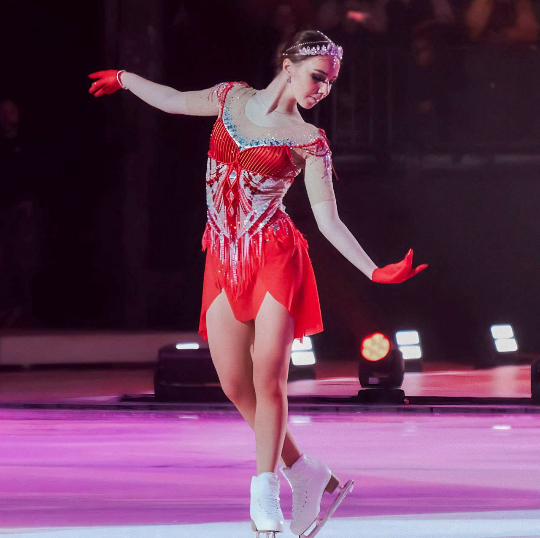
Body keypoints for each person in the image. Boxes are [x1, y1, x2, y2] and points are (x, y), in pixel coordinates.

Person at [88, 29, 427, 538]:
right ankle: (306, 472)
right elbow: (176, 101)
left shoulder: (309, 141)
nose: (322, 89)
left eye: (330, 83)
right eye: (318, 77)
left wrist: (373, 270)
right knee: (233, 383)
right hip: (223, 255)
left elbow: (328, 220)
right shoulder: (230, 98)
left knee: (268, 379)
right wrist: (125, 78)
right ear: (288, 65)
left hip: (274, 255)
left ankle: (264, 490)